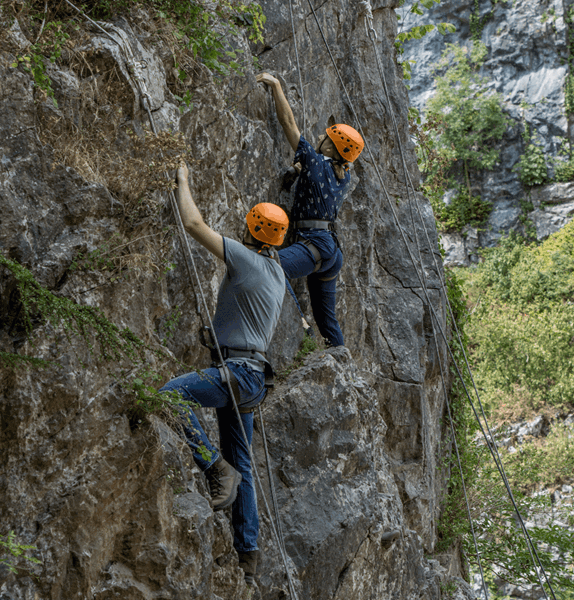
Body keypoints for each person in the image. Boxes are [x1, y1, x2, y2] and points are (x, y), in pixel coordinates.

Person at [160, 162, 288, 586]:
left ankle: (214, 467)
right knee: (245, 464)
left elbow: (194, 224)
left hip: (237, 372)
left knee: (169, 395)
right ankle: (248, 555)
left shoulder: (248, 260)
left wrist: (183, 180)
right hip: (252, 379)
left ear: (252, 230)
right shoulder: (277, 273)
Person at [257, 71, 365, 348]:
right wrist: (296, 170)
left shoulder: (316, 162)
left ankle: (299, 325)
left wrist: (277, 86)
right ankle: (342, 363)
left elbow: (288, 123)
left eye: (326, 136)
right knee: (328, 322)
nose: (320, 136)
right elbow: (317, 179)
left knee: (270, 267)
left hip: (313, 244)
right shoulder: (343, 174)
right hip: (330, 251)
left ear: (330, 145)